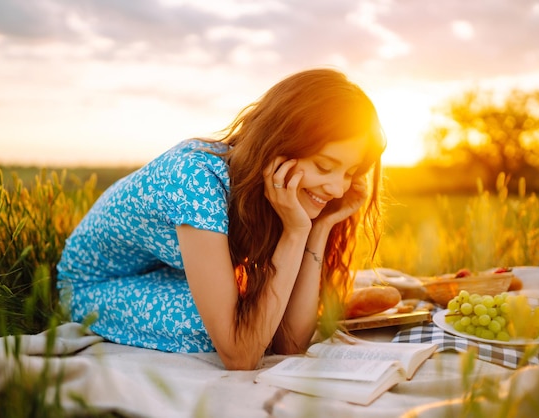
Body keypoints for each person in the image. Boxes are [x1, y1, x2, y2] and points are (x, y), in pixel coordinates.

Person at [56, 68, 387, 370]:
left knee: (262, 316)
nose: (337, 187)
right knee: (229, 325)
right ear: (280, 144)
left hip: (166, 272)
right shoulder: (196, 180)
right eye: (325, 167)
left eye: (351, 172)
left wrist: (317, 227)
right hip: (93, 286)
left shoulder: (279, 194)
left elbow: (290, 342)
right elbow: (240, 354)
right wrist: (293, 234)